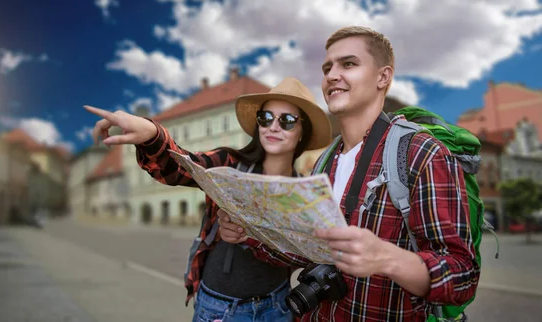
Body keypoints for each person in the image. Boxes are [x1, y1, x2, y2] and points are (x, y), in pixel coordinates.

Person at [219, 26, 480, 321]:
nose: (331, 75)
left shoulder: (421, 152)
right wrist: (247, 235)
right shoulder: (323, 164)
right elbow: (307, 252)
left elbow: (463, 276)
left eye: (349, 64)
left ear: (383, 77)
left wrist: (388, 258)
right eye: (327, 67)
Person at [84, 77, 332, 322]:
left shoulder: (304, 192)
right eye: (266, 118)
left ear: (302, 132)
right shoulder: (229, 163)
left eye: (287, 120)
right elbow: (181, 167)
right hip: (220, 307)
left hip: (278, 307)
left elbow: (305, 256)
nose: (273, 126)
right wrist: (151, 134)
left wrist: (256, 238)